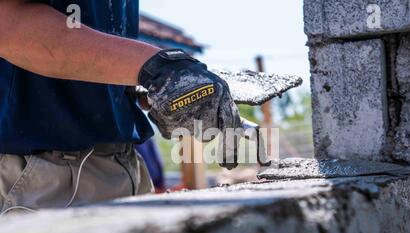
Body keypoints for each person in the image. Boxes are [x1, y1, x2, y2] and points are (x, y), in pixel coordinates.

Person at [0, 0, 242, 214]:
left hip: (123, 168)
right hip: (42, 179)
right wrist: (157, 69)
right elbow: (8, 23)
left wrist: (149, 90)